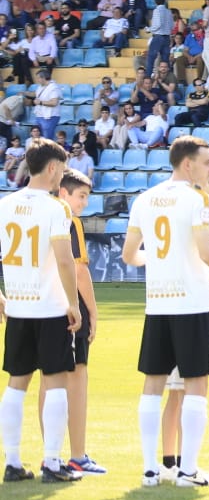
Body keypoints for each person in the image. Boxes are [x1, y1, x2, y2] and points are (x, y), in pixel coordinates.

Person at [123, 135, 209, 488]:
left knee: (153, 385)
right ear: (187, 163)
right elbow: (208, 252)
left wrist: (156, 261)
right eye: (207, 162)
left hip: (158, 305)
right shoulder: (197, 198)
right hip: (192, 304)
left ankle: (151, 469)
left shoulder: (145, 199)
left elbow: (129, 255)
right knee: (197, 384)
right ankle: (188, 472)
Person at [0, 139, 81, 483]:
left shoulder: (5, 204)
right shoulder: (56, 208)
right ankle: (51, 461)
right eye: (61, 171)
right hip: (49, 308)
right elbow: (65, 259)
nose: (61, 178)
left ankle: (13, 462)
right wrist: (73, 304)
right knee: (56, 383)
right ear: (51, 168)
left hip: (17, 306)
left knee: (16, 385)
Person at [56, 167, 104, 475]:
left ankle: (51, 455)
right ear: (64, 193)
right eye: (81, 196)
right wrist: (93, 311)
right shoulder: (69, 221)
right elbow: (79, 270)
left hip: (44, 304)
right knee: (77, 378)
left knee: (50, 380)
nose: (84, 203)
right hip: (71, 306)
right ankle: (77, 455)